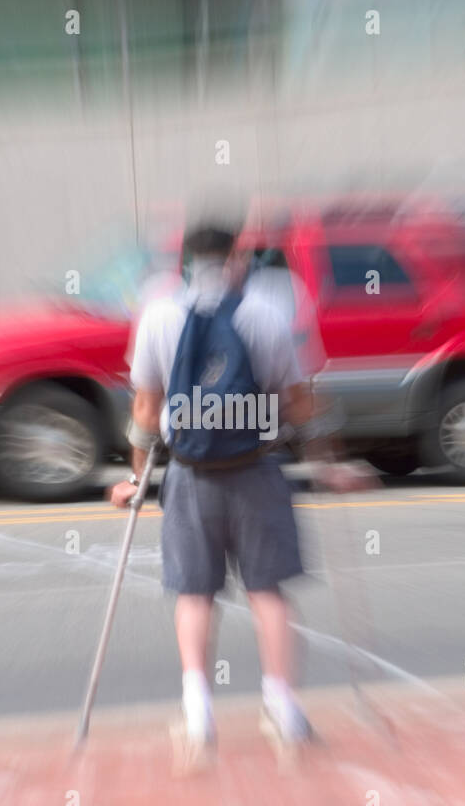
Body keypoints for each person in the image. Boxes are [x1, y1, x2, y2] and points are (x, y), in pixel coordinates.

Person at [110, 221, 370, 769]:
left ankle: (198, 711)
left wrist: (136, 481)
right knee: (268, 591)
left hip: (188, 476)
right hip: (257, 471)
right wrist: (329, 463)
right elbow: (299, 404)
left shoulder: (157, 316)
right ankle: (282, 707)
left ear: (185, 262)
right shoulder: (265, 315)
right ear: (235, 259)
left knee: (195, 594)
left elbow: (145, 412)